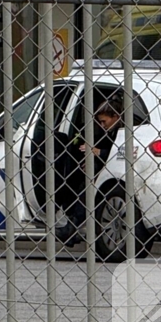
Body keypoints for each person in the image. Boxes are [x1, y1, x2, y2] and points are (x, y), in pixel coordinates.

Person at [56, 100, 123, 244]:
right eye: (100, 122)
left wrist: (96, 152)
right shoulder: (111, 132)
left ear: (116, 117)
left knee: (87, 190)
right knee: (82, 186)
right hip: (108, 171)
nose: (103, 126)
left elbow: (119, 152)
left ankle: (72, 227)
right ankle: (72, 225)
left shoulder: (122, 131)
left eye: (105, 121)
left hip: (117, 174)